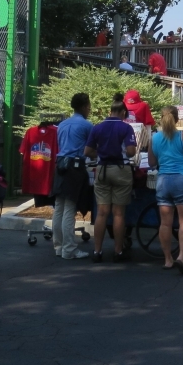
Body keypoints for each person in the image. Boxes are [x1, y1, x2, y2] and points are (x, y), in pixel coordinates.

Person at [148, 105, 183, 274]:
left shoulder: (154, 138)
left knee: (165, 223)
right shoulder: (182, 135)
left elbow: (151, 162)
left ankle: (167, 259)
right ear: (177, 119)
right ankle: (182, 257)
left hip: (163, 180)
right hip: (182, 179)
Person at [88, 95, 138, 262]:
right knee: (118, 214)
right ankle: (118, 251)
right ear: (123, 112)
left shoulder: (97, 127)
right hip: (120, 169)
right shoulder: (126, 128)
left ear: (110, 111)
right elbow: (131, 152)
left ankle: (97, 251)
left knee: (101, 213)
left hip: (102, 169)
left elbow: (87, 151)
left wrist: (101, 153)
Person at [52, 93, 94, 260]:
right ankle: (69, 249)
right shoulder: (86, 125)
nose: (90, 109)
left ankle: (59, 246)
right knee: (70, 207)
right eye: (89, 106)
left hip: (60, 165)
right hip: (75, 167)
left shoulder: (61, 125)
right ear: (84, 107)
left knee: (59, 207)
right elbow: (90, 149)